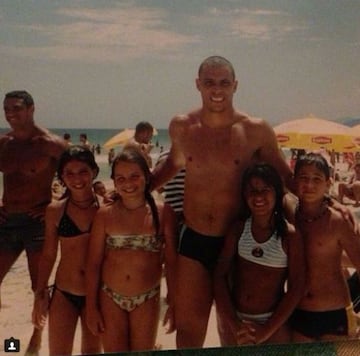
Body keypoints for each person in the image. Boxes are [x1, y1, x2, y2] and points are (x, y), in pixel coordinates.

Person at [151, 55, 294, 348]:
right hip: (194, 241)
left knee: (235, 334)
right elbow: (170, 168)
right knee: (190, 333)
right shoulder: (183, 127)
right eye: (210, 83)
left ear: (235, 85)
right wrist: (137, 190)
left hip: (239, 242)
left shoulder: (256, 130)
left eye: (224, 83)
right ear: (198, 85)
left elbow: (284, 177)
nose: (217, 89)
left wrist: (325, 201)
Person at [86, 147, 177, 353]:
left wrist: (174, 302)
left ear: (146, 176)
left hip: (147, 297)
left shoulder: (163, 214)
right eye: (121, 178)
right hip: (110, 297)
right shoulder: (105, 215)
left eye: (134, 176)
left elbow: (172, 263)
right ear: (114, 181)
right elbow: (93, 264)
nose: (128, 183)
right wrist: (91, 307)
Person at [0, 90, 66, 354]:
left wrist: (56, 206)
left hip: (37, 222)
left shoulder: (51, 145)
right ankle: (10, 345)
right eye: (6, 109)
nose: (10, 114)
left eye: (16, 108)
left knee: (38, 287)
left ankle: (36, 338)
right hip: (6, 220)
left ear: (31, 109)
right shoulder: (4, 145)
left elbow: (83, 175)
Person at [214, 163, 305, 345]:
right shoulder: (239, 229)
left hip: (273, 323)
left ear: (277, 192)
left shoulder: (289, 236)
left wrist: (266, 331)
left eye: (265, 189)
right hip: (236, 320)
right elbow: (219, 276)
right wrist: (233, 323)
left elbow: (297, 287)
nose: (258, 196)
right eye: (252, 190)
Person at [32, 146, 102, 355]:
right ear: (61, 177)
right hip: (64, 292)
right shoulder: (55, 211)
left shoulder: (106, 208)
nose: (76, 178)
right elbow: (48, 254)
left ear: (94, 172)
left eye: (83, 171)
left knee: (91, 351)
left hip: (97, 294)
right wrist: (40, 293)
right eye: (69, 173)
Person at [291, 153, 360, 342]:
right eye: (303, 178)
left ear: (328, 183)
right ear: (294, 180)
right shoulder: (289, 216)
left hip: (335, 312)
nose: (310, 185)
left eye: (317, 179)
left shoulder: (339, 221)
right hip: (298, 312)